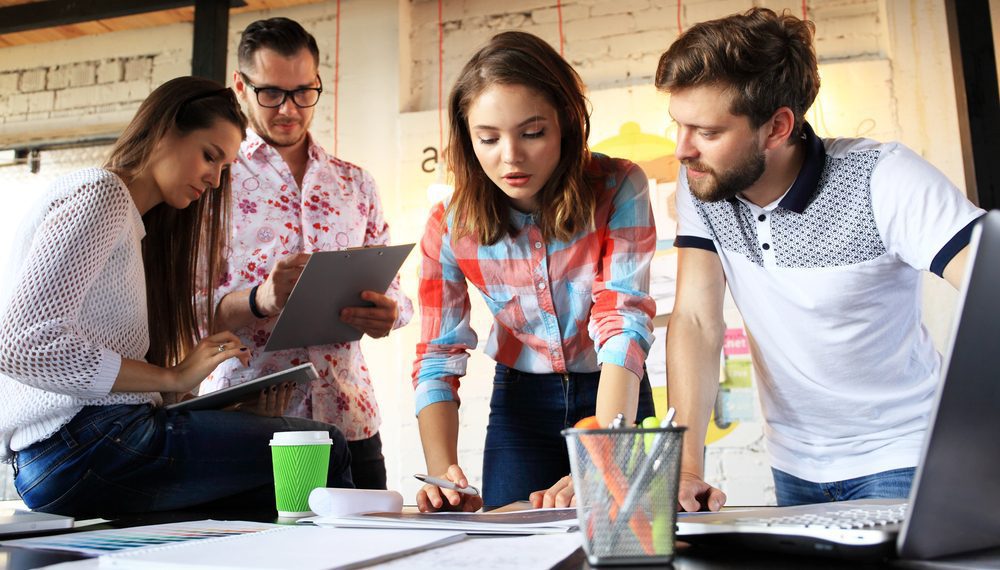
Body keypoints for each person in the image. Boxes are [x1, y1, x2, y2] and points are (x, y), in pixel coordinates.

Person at [656, 8, 986, 511]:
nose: (682, 150)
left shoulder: (883, 178)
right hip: (795, 464)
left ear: (777, 127)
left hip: (905, 456)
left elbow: (990, 284)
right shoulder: (703, 183)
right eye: (679, 125)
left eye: (707, 131)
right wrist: (687, 467)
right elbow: (698, 320)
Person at [0, 76, 353, 519]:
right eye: (209, 156)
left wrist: (218, 411)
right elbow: (22, 345)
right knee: (321, 448)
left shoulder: (132, 223)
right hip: (83, 445)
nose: (214, 178)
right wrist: (172, 377)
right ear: (165, 131)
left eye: (224, 168)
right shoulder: (102, 193)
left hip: (74, 452)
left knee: (261, 499)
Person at [412, 30, 658, 512]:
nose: (510, 156)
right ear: (467, 138)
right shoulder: (448, 224)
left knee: (625, 544)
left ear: (565, 123)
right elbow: (438, 354)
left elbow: (623, 322)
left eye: (532, 132)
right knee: (510, 547)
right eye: (488, 138)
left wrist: (603, 455)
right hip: (520, 406)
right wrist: (442, 476)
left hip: (613, 391)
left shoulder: (619, 186)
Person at [202, 17, 413, 490]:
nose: (289, 109)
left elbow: (398, 290)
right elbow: (182, 311)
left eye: (304, 92)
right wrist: (257, 299)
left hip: (350, 418)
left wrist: (391, 313)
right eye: (272, 93)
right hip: (245, 421)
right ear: (240, 85)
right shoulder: (213, 182)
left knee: (368, 562)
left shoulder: (355, 183)